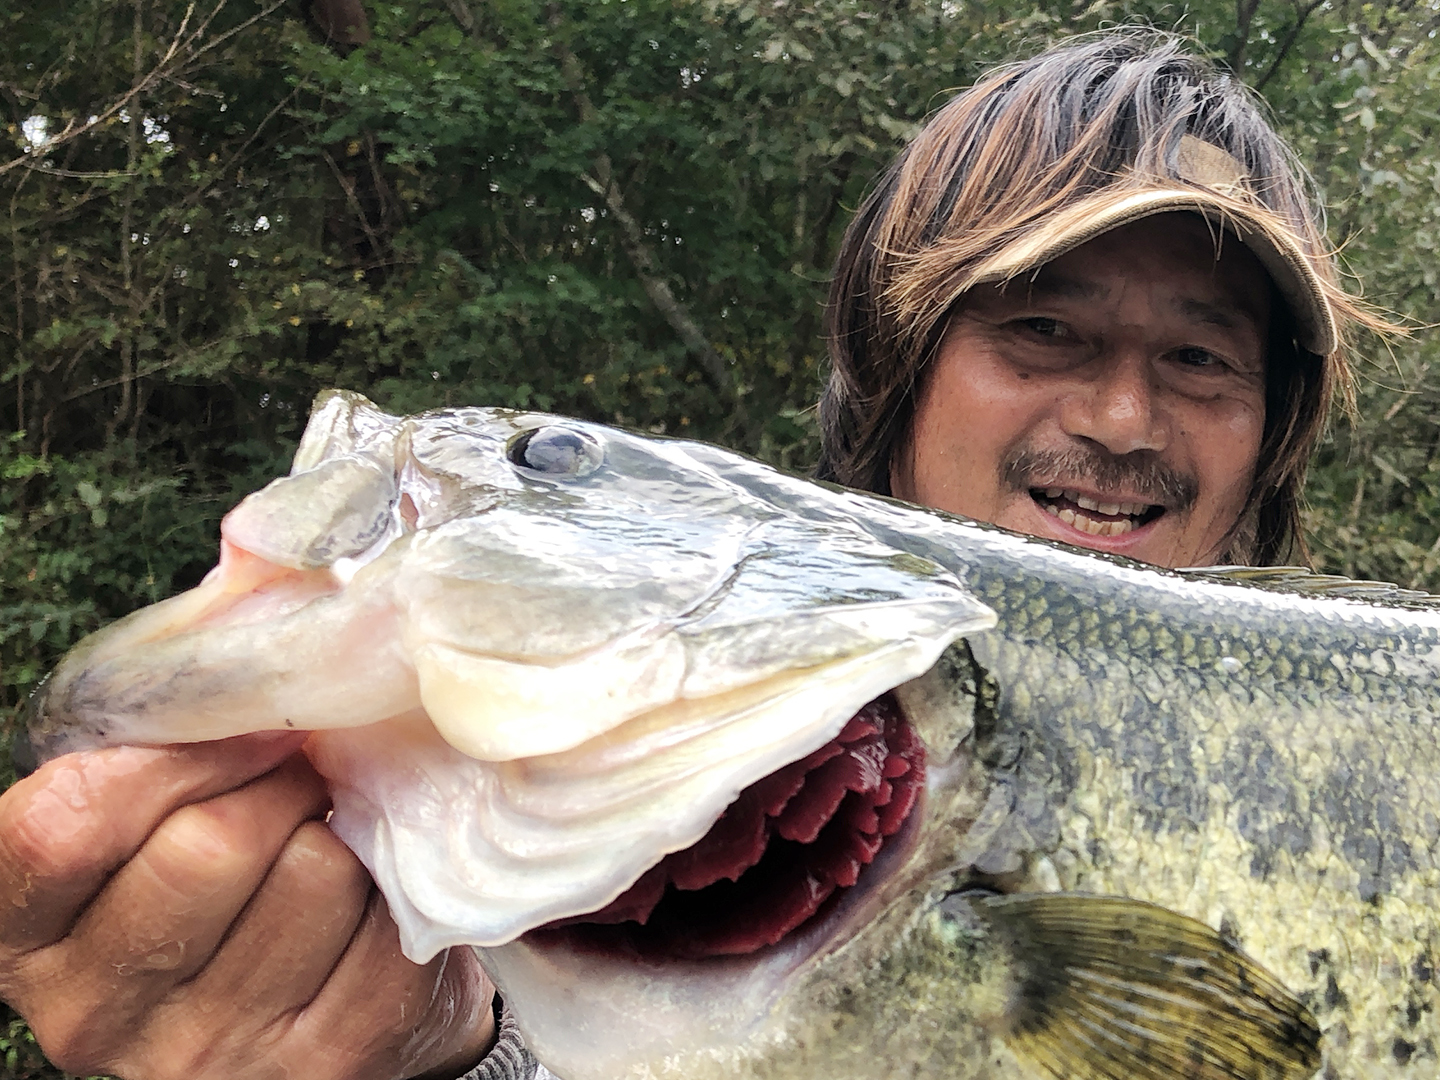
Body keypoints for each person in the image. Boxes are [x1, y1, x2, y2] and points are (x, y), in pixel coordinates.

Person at [0, 29, 1391, 1080]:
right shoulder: (563, 822)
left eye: (1200, 358)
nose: (1120, 417)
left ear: (1267, 433)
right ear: (899, 377)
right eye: (1046, 330)